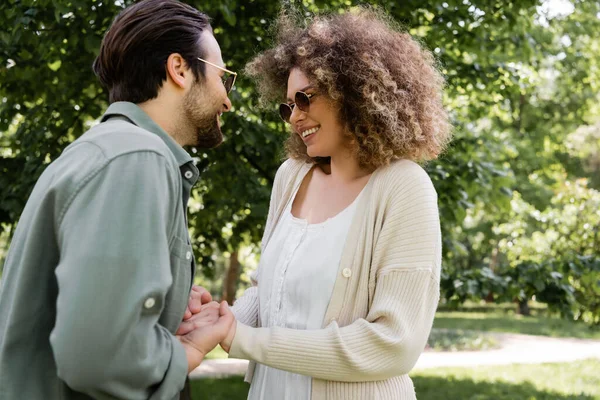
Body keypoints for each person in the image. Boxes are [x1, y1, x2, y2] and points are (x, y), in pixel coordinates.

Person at [182, 7, 452, 399]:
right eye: (288, 105)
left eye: (305, 99)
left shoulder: (404, 188)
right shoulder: (290, 177)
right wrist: (217, 320)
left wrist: (242, 338)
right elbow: (267, 293)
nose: (294, 117)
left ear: (356, 91)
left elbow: (393, 345)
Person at [0, 0, 237, 399]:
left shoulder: (106, 150)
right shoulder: (136, 158)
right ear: (179, 69)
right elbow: (100, 358)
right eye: (223, 78)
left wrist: (163, 303)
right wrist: (188, 351)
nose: (227, 101)